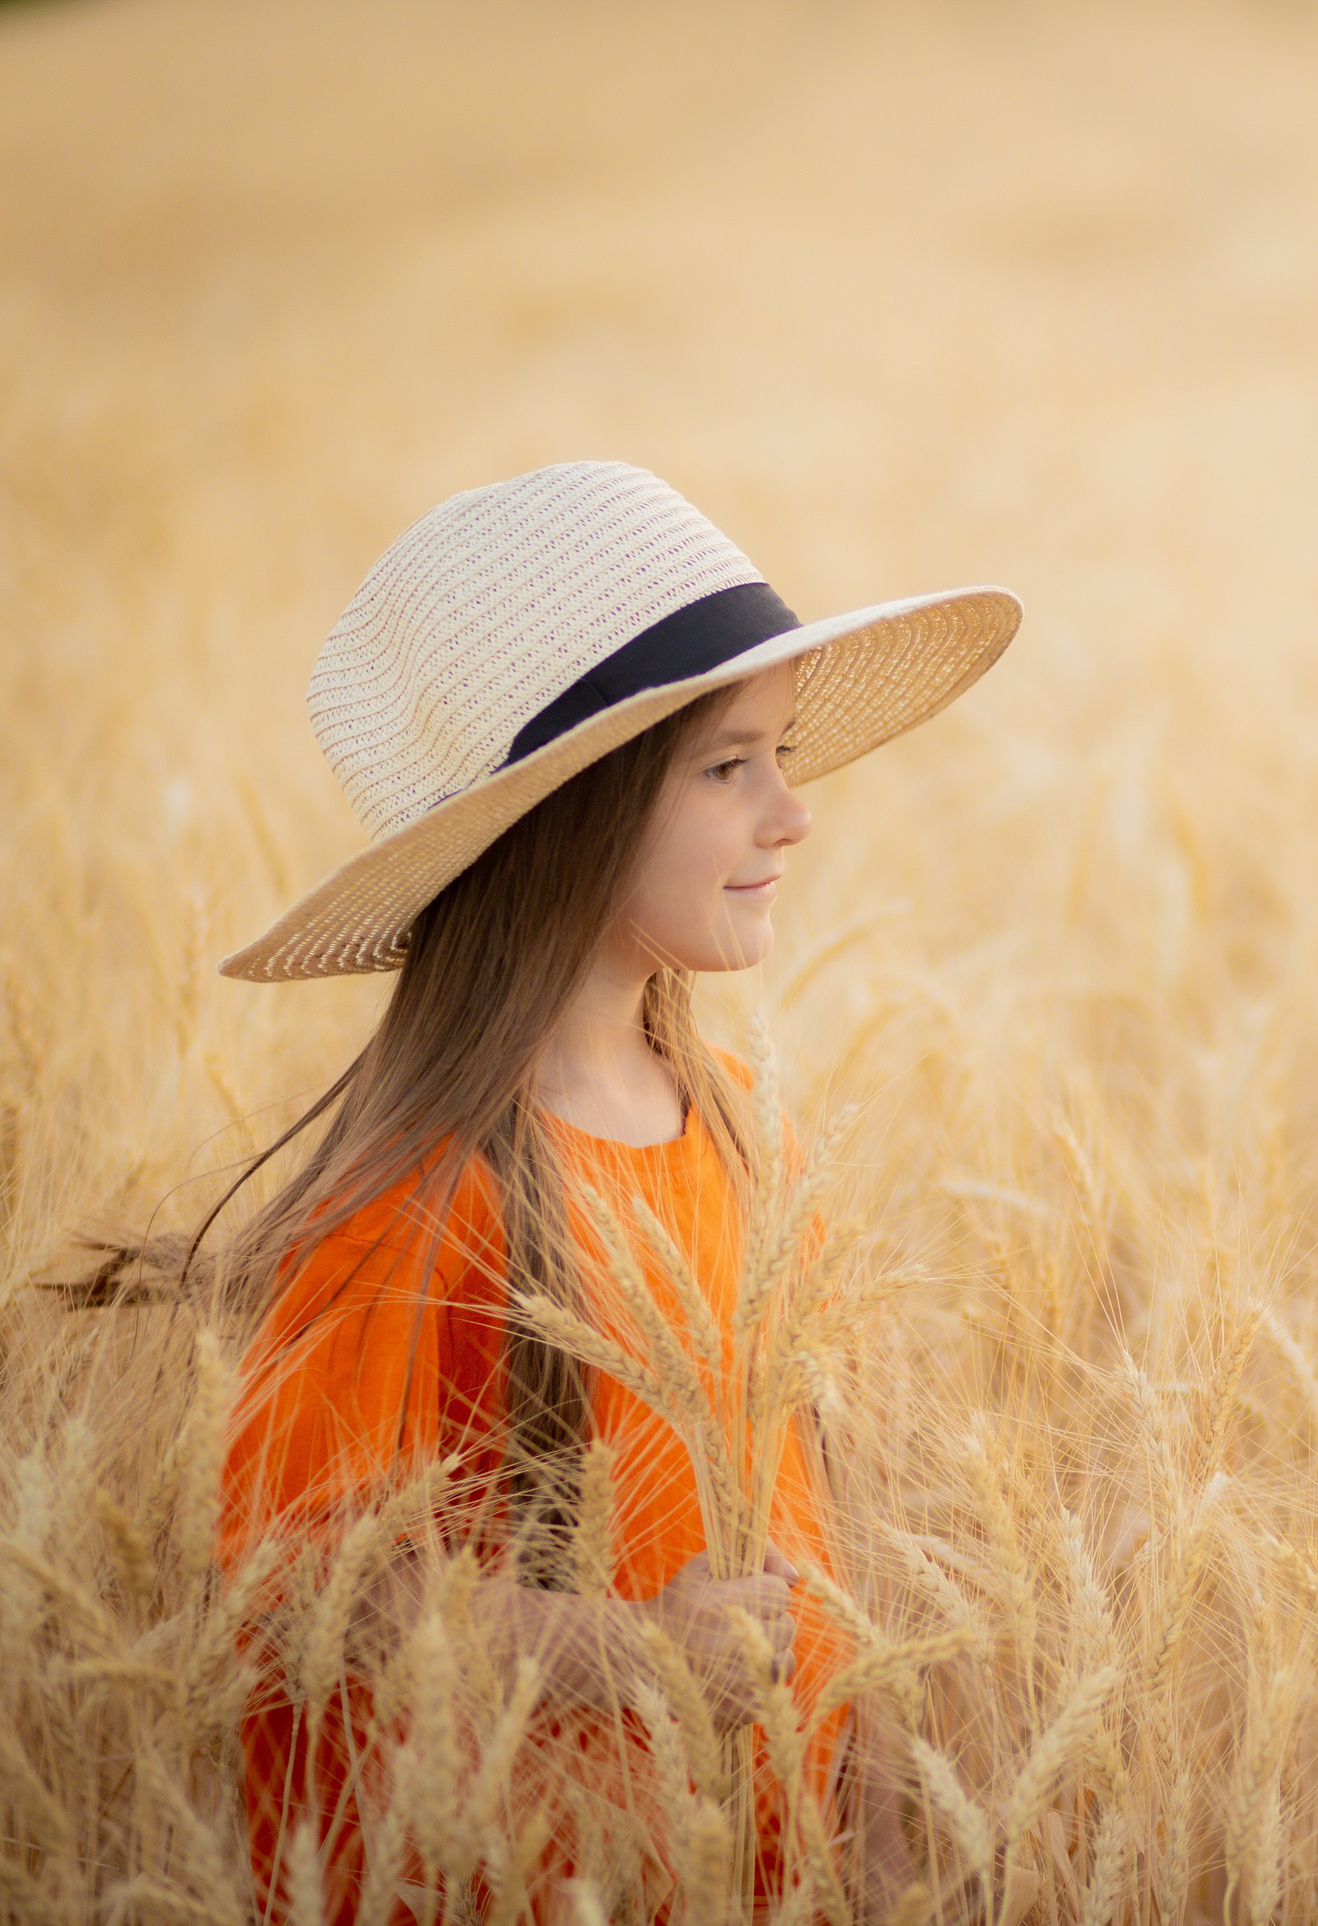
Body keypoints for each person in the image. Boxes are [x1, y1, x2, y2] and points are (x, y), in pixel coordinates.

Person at [205, 462, 1020, 1923]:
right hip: (534, 1872)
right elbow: (300, 1586)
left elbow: (797, 1523)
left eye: (783, 757)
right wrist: (633, 1651)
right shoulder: (425, 1181)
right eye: (730, 766)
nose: (794, 815)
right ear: (567, 818)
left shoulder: (725, 1121)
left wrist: (868, 1808)